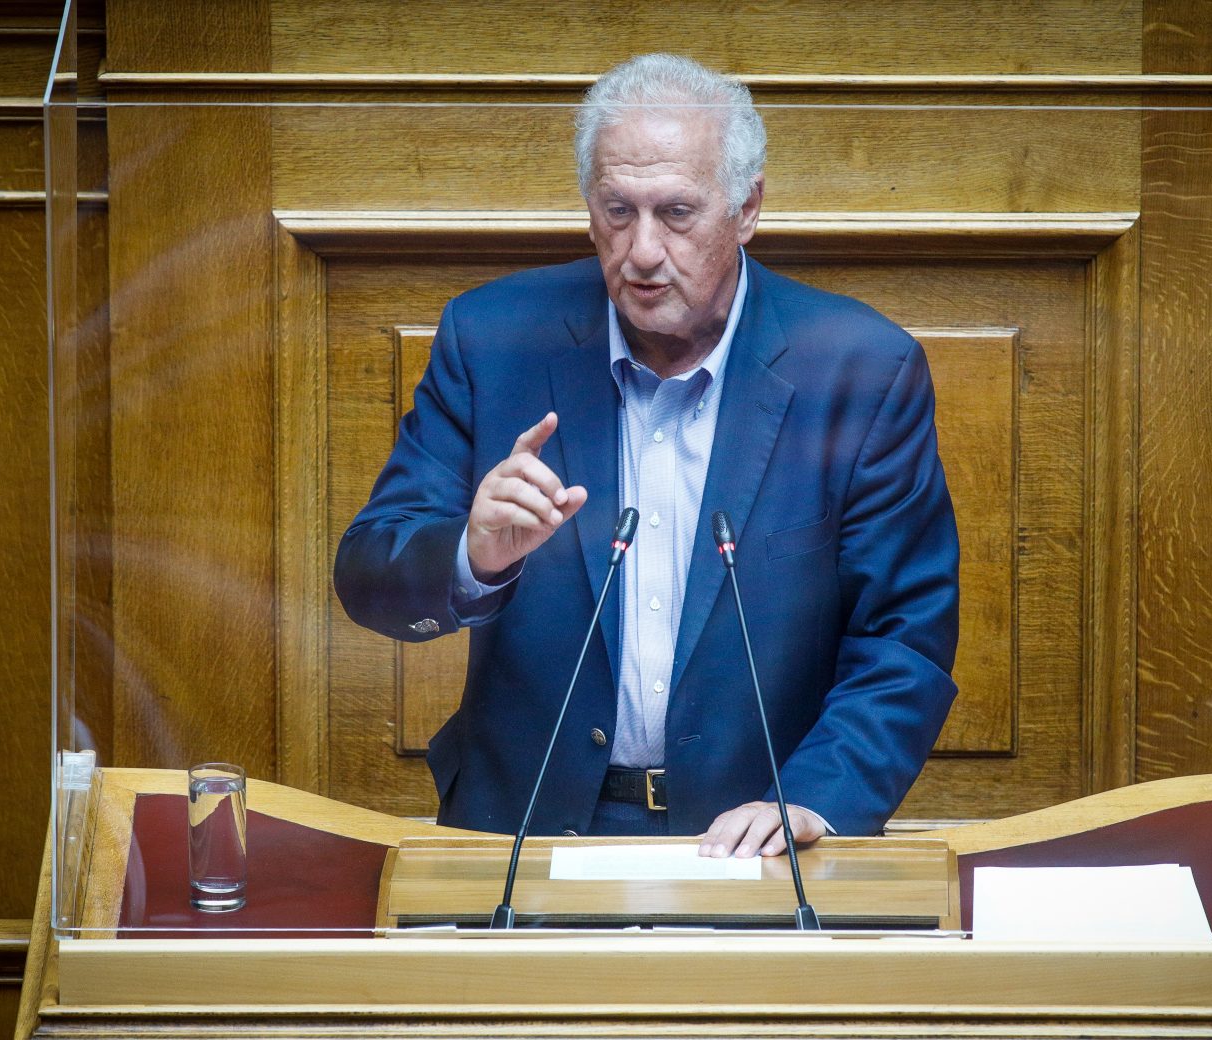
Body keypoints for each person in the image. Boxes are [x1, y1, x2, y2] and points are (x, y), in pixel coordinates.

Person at [334, 53, 958, 858]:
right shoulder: (492, 340)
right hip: (521, 835)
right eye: (618, 211)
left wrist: (815, 797)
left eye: (677, 213)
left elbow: (904, 636)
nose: (642, 251)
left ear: (747, 208)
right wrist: (470, 555)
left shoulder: (861, 368)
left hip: (756, 846)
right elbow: (369, 576)